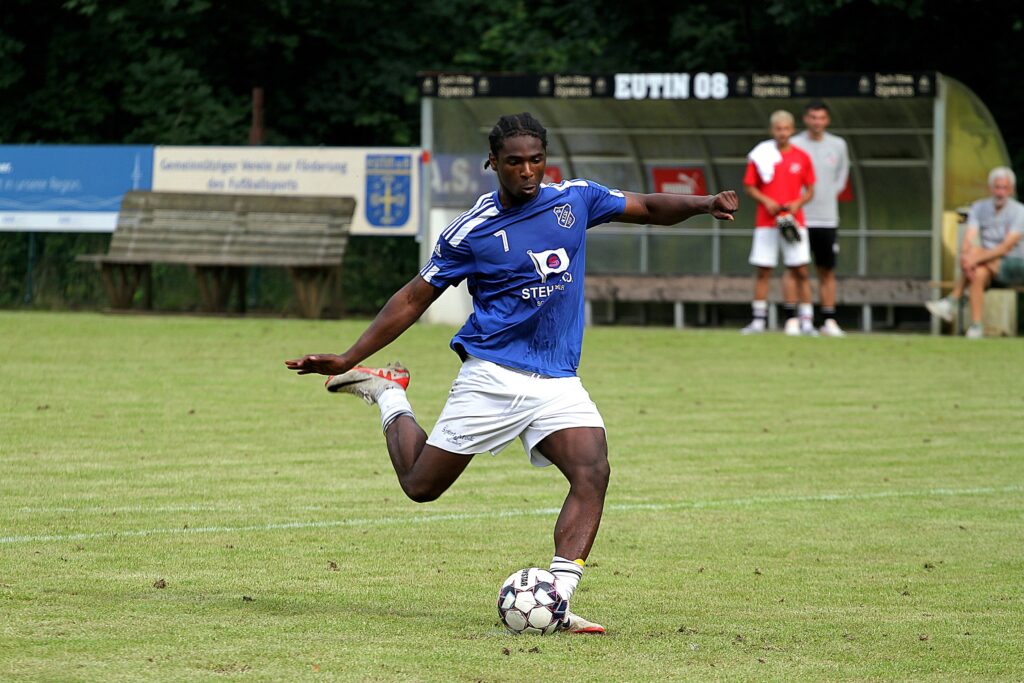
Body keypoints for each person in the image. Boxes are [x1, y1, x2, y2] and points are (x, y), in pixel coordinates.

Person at [285, 112, 739, 634]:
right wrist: (347, 357)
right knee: (420, 486)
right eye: (515, 162)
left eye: (536, 161)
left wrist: (705, 204)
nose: (527, 171)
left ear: (546, 160)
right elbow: (413, 298)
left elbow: (647, 206)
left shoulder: (575, 199)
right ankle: (389, 394)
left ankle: (557, 599)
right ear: (494, 164)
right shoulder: (472, 231)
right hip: (493, 374)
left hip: (558, 378)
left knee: (592, 471)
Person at [741, 110, 817, 335]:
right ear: (772, 130)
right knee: (763, 269)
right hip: (766, 221)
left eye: (786, 129)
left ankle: (806, 321)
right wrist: (767, 201)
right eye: (778, 129)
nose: (782, 133)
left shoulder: (802, 157)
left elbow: (811, 189)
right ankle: (758, 320)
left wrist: (797, 203)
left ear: (792, 130)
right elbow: (749, 186)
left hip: (793, 221)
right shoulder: (761, 155)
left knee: (800, 269)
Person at [925, 166, 1024, 338]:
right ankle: (976, 327)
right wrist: (967, 257)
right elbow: (968, 239)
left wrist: (973, 258)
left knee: (977, 262)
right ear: (990, 188)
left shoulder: (1020, 212)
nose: (1000, 192)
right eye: (997, 187)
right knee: (978, 273)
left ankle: (951, 301)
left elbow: (1005, 248)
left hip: (1015, 264)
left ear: (1011, 190)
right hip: (987, 265)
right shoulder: (979, 208)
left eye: (1004, 188)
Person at [790, 100, 850, 337]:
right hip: (799, 217)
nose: (817, 122)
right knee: (796, 269)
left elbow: (842, 175)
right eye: (813, 117)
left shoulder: (838, 145)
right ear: (805, 119)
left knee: (827, 269)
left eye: (821, 118)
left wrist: (828, 194)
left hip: (827, 218)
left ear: (827, 120)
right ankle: (795, 319)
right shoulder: (794, 144)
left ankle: (829, 320)